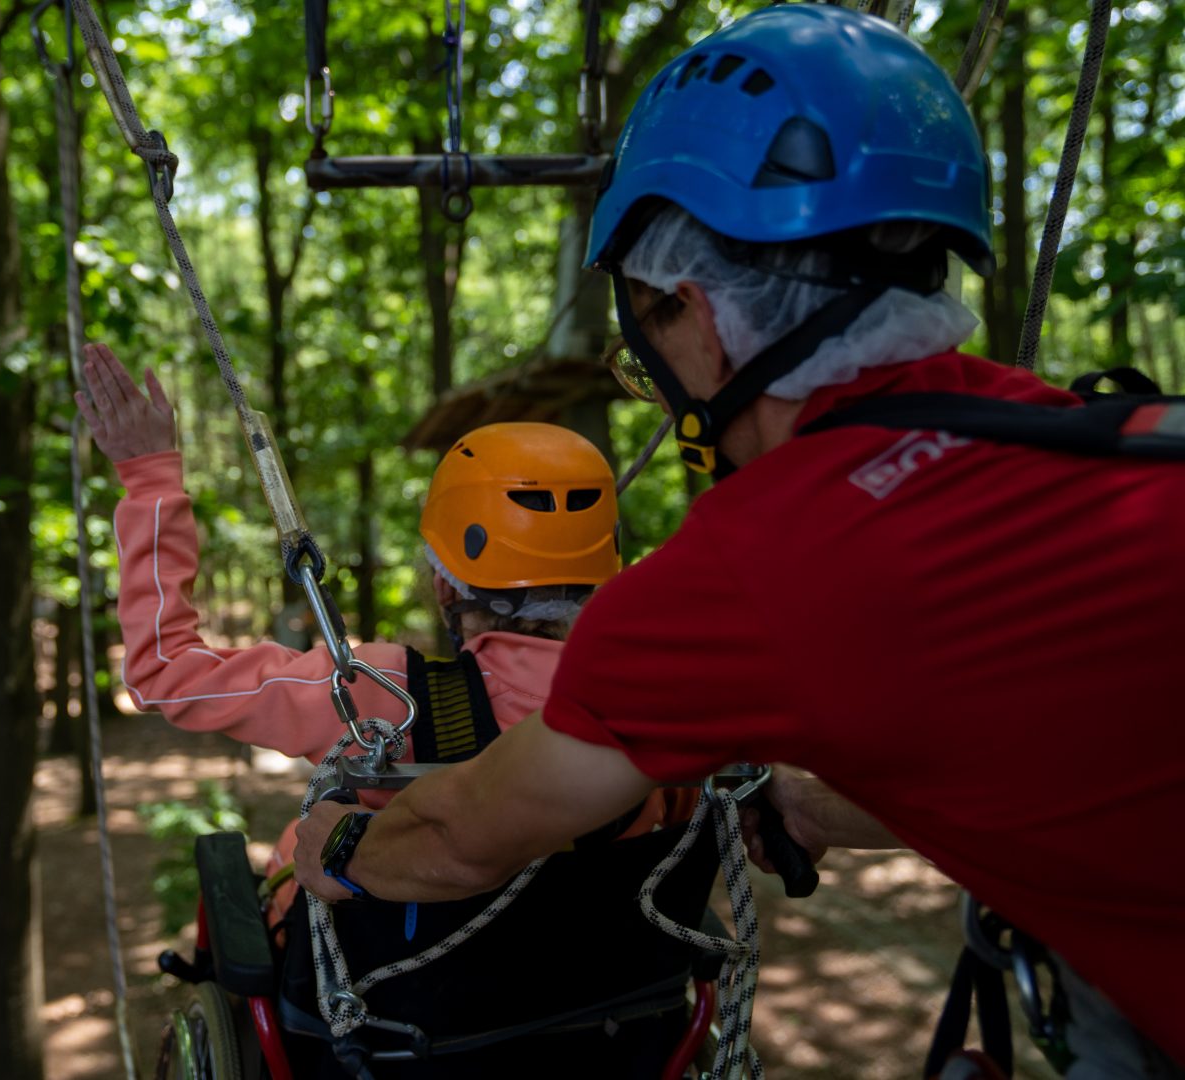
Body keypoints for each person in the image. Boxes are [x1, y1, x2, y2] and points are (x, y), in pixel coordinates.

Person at [293, 6, 1185, 1077]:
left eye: (643, 328)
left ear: (691, 313)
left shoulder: (742, 579)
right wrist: (814, 805)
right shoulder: (1059, 432)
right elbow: (1055, 745)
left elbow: (457, 838)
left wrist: (340, 843)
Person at [74, 344, 710, 1076]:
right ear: (608, 562)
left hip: (379, 1041)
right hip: (600, 1033)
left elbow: (164, 672)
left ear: (444, 584)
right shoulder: (670, 708)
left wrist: (148, 474)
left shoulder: (382, 695)